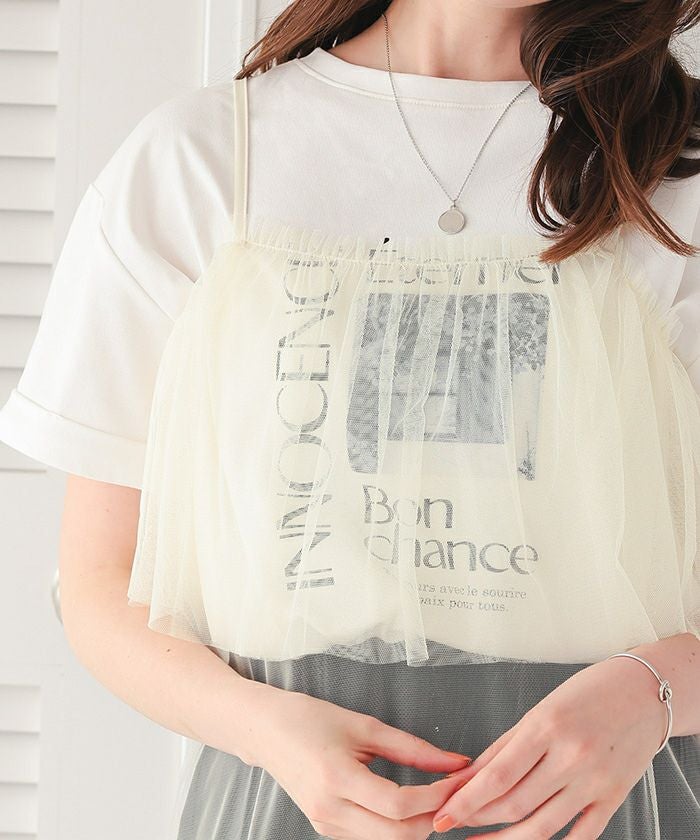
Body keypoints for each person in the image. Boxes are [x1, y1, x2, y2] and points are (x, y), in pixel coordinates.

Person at [1, 1, 700, 838]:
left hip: (619, 800)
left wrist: (655, 691)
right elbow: (99, 583)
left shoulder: (678, 167)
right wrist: (264, 729)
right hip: (288, 801)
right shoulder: (204, 159)